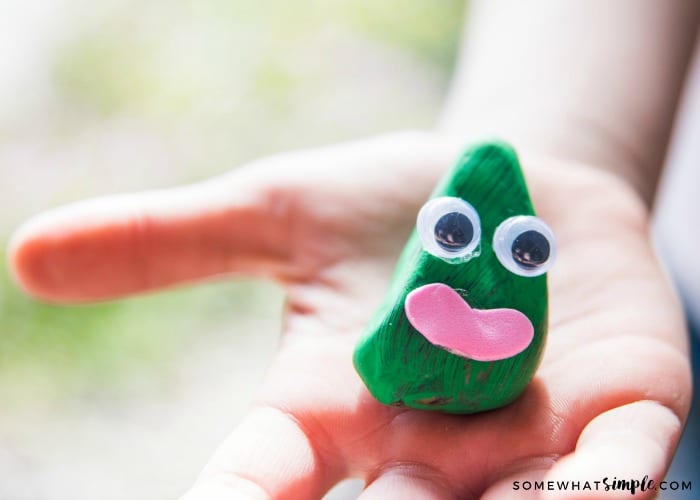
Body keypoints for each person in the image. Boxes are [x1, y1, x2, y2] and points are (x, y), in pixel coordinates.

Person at [8, 1, 700, 498]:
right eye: (453, 235)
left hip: (648, 341)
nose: (486, 268)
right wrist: (576, 148)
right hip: (664, 296)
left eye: (526, 250)